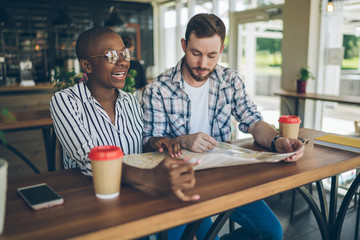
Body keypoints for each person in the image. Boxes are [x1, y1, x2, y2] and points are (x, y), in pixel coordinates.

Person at [142, 13, 305, 240]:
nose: (203, 64)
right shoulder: (158, 88)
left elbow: (253, 121)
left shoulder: (230, 80)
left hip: (224, 175)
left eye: (212, 55)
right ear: (184, 45)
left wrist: (277, 141)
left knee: (270, 232)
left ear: (222, 49)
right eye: (195, 53)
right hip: (177, 182)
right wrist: (182, 141)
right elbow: (150, 143)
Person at [50, 26, 214, 240]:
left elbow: (137, 148)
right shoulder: (65, 101)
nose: (123, 62)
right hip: (95, 205)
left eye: (124, 54)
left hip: (136, 193)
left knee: (199, 216)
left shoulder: (128, 100)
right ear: (87, 65)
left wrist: (155, 143)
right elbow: (91, 158)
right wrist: (149, 178)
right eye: (111, 55)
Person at [122, 34, 147, 103]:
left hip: (120, 94)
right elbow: (143, 85)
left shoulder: (118, 64)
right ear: (133, 47)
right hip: (136, 96)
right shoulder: (138, 64)